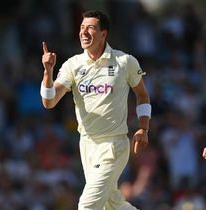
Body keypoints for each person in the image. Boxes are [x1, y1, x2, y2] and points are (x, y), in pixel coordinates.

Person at [40, 10, 151, 210]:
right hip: (87, 145)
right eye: (82, 28)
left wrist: (143, 127)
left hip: (113, 144)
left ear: (103, 34)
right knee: (112, 204)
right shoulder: (73, 65)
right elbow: (49, 101)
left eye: (90, 28)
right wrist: (48, 72)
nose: (84, 32)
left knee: (88, 205)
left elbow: (142, 95)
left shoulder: (124, 62)